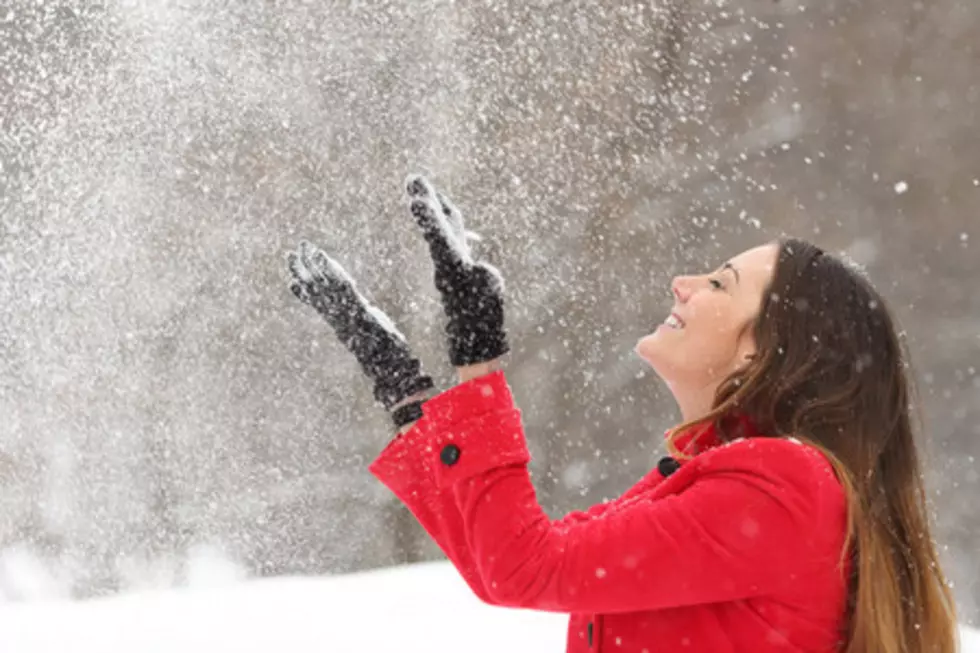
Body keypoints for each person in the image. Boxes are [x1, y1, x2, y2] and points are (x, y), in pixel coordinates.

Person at [286, 176, 957, 653]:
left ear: (761, 353)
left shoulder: (784, 490)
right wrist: (408, 395)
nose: (683, 283)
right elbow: (508, 561)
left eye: (719, 283)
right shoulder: (729, 484)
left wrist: (478, 360)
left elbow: (527, 566)